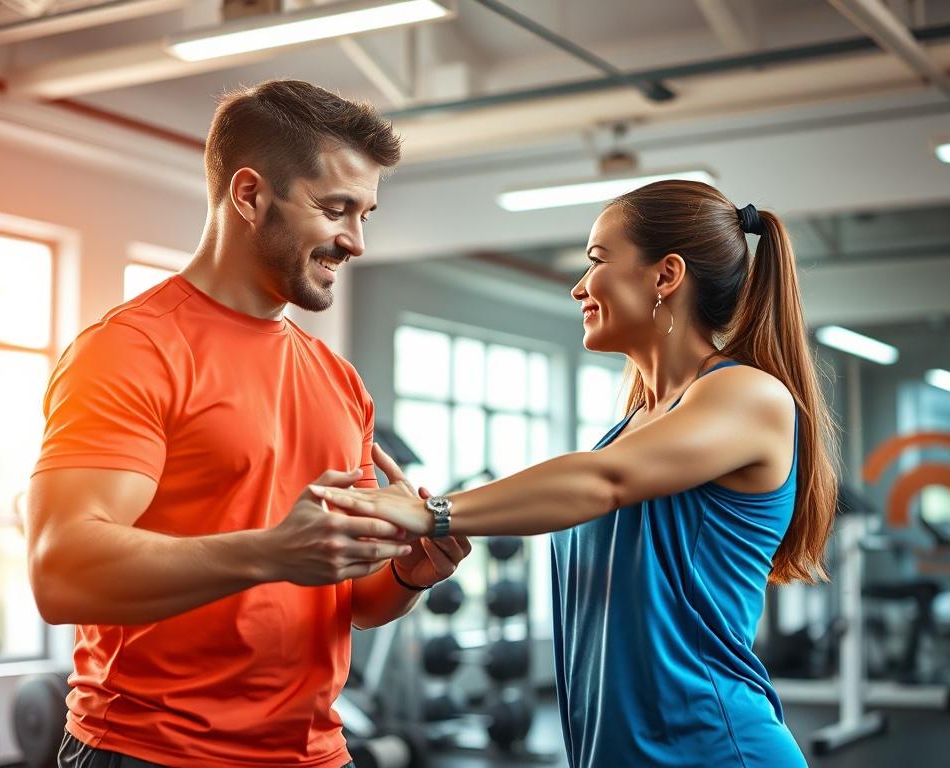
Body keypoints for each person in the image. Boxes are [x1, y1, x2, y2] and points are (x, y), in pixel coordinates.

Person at [314, 180, 838, 768]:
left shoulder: (748, 395)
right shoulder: (635, 423)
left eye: (596, 261)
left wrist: (431, 512)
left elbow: (601, 481)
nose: (578, 286)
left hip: (715, 749)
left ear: (665, 276)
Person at [25, 79, 471, 768]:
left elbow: (345, 599)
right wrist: (268, 550)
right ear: (249, 194)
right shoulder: (132, 349)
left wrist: (411, 574)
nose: (354, 241)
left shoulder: (338, 379)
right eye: (335, 209)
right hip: (155, 750)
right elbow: (62, 573)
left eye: (366, 214)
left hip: (316, 753)